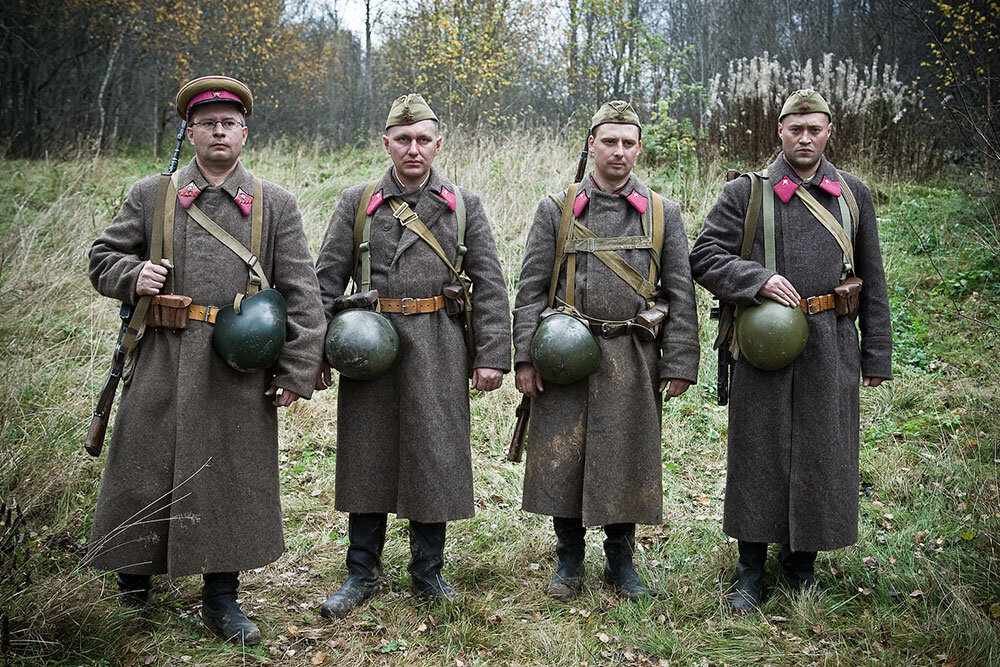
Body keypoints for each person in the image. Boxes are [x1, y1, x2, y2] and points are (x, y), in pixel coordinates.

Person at [87, 75, 325, 645]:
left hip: (238, 366)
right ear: (190, 132)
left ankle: (222, 598)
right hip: (163, 357)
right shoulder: (153, 195)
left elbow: (303, 296)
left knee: (233, 478)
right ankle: (133, 587)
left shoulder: (275, 204)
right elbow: (103, 256)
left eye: (229, 123)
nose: (219, 132)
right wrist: (131, 276)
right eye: (207, 123)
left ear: (245, 133)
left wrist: (295, 370)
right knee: (144, 465)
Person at [690, 89, 892, 611]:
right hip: (763, 344)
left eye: (815, 129)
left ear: (829, 132)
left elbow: (872, 277)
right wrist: (755, 279)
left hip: (830, 342)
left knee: (824, 452)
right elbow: (704, 256)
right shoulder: (746, 193)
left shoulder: (853, 194)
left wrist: (876, 357)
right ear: (779, 131)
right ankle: (749, 571)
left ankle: (803, 565)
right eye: (795, 129)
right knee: (759, 451)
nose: (805, 138)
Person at [314, 94, 510, 617]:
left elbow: (490, 285)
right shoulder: (358, 203)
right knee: (366, 454)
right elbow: (323, 283)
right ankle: (361, 573)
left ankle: (427, 572)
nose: (414, 149)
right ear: (386, 144)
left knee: (435, 453)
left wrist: (491, 354)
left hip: (439, 346)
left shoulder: (462, 205)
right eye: (403, 139)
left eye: (424, 139)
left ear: (438, 144)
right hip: (368, 345)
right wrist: (316, 353)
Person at [512, 101, 700, 602]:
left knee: (627, 459)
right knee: (562, 459)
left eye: (628, 142)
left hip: (633, 355)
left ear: (639, 147)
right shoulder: (556, 208)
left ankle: (622, 562)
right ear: (591, 143)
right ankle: (568, 562)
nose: (619, 151)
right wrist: (526, 358)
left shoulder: (663, 213)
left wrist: (680, 361)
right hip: (564, 355)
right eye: (609, 141)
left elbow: (680, 292)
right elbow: (530, 288)